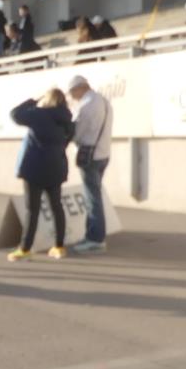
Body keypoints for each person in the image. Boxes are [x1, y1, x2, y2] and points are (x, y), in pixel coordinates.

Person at [7, 89, 74, 262]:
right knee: (56, 207)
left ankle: (25, 248)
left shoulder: (38, 114)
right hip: (56, 167)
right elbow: (66, 141)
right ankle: (59, 246)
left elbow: (15, 114)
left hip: (34, 168)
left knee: (32, 210)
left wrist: (33, 100)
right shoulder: (67, 119)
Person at [68, 75, 113, 254]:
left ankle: (95, 238)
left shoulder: (86, 106)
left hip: (90, 156)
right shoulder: (103, 101)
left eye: (72, 92)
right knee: (94, 197)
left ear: (80, 88)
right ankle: (92, 235)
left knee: (92, 199)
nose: (72, 97)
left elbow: (77, 134)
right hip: (103, 154)